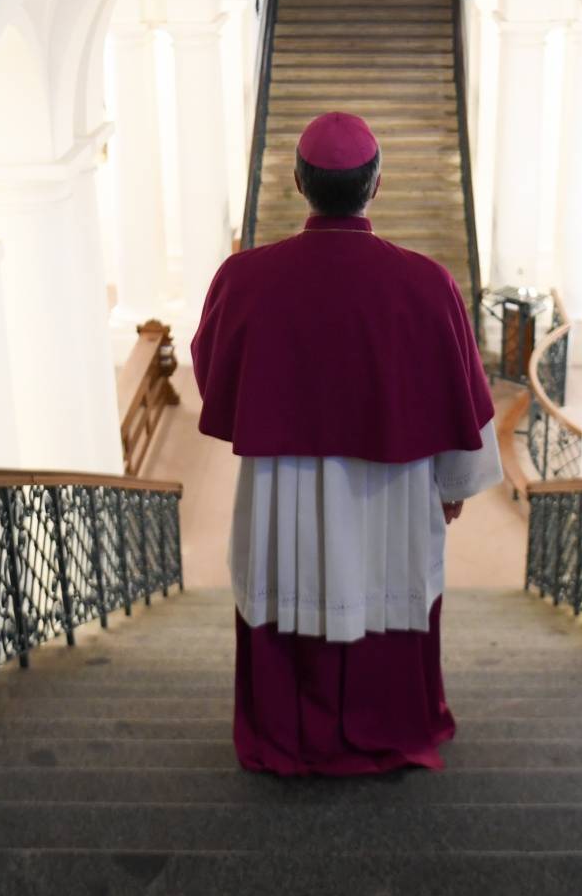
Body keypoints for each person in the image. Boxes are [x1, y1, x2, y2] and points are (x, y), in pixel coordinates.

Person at [191, 110, 503, 776]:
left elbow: (214, 368)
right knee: (386, 588)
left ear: (299, 183)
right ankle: (387, 724)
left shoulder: (243, 278)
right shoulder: (429, 283)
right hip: (394, 494)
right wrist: (452, 487)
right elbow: (465, 392)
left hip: (283, 490)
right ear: (377, 184)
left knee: (287, 587)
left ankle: (286, 731)